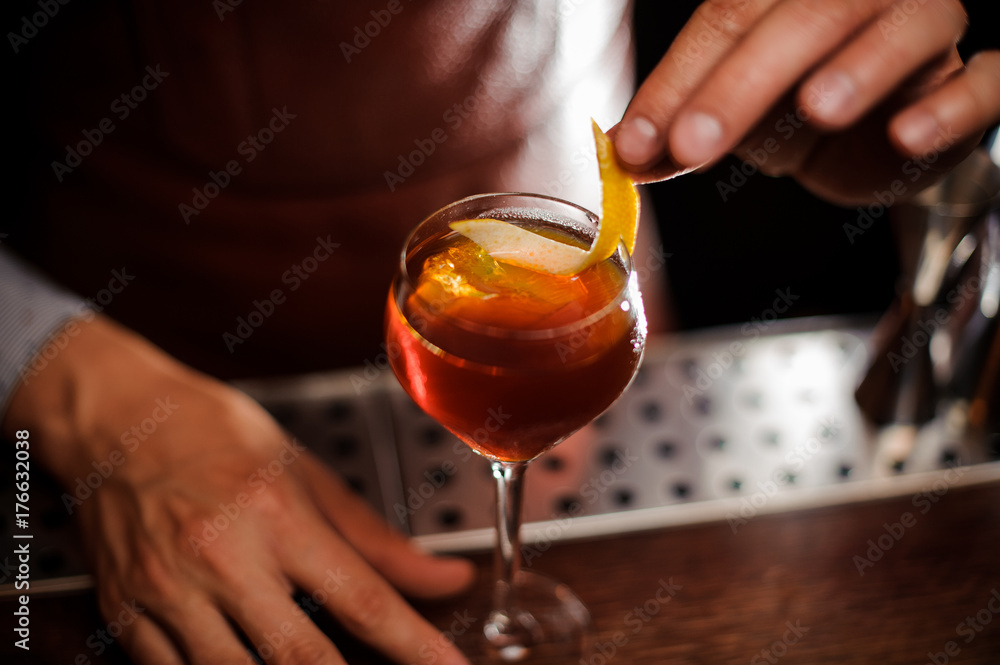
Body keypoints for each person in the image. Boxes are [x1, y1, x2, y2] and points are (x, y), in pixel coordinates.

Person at [2, 0, 998, 663]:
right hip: (152, 328)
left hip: (570, 264)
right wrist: (66, 374)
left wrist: (856, 102)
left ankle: (510, 588)